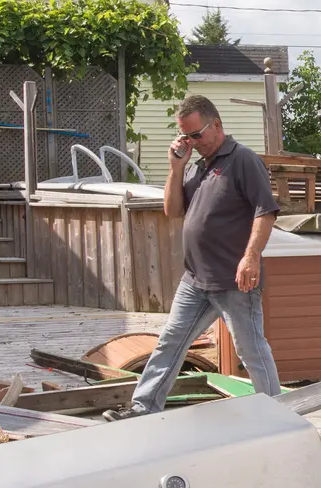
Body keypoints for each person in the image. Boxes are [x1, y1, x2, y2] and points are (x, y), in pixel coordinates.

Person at [104, 95, 281, 421]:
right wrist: (176, 167)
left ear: (216, 125)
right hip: (195, 279)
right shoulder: (198, 166)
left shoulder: (242, 160)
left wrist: (251, 257)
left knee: (251, 350)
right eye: (186, 137)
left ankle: (277, 417)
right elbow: (172, 210)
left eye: (196, 135)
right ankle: (143, 409)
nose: (192, 142)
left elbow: (265, 211)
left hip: (234, 279)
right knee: (170, 342)